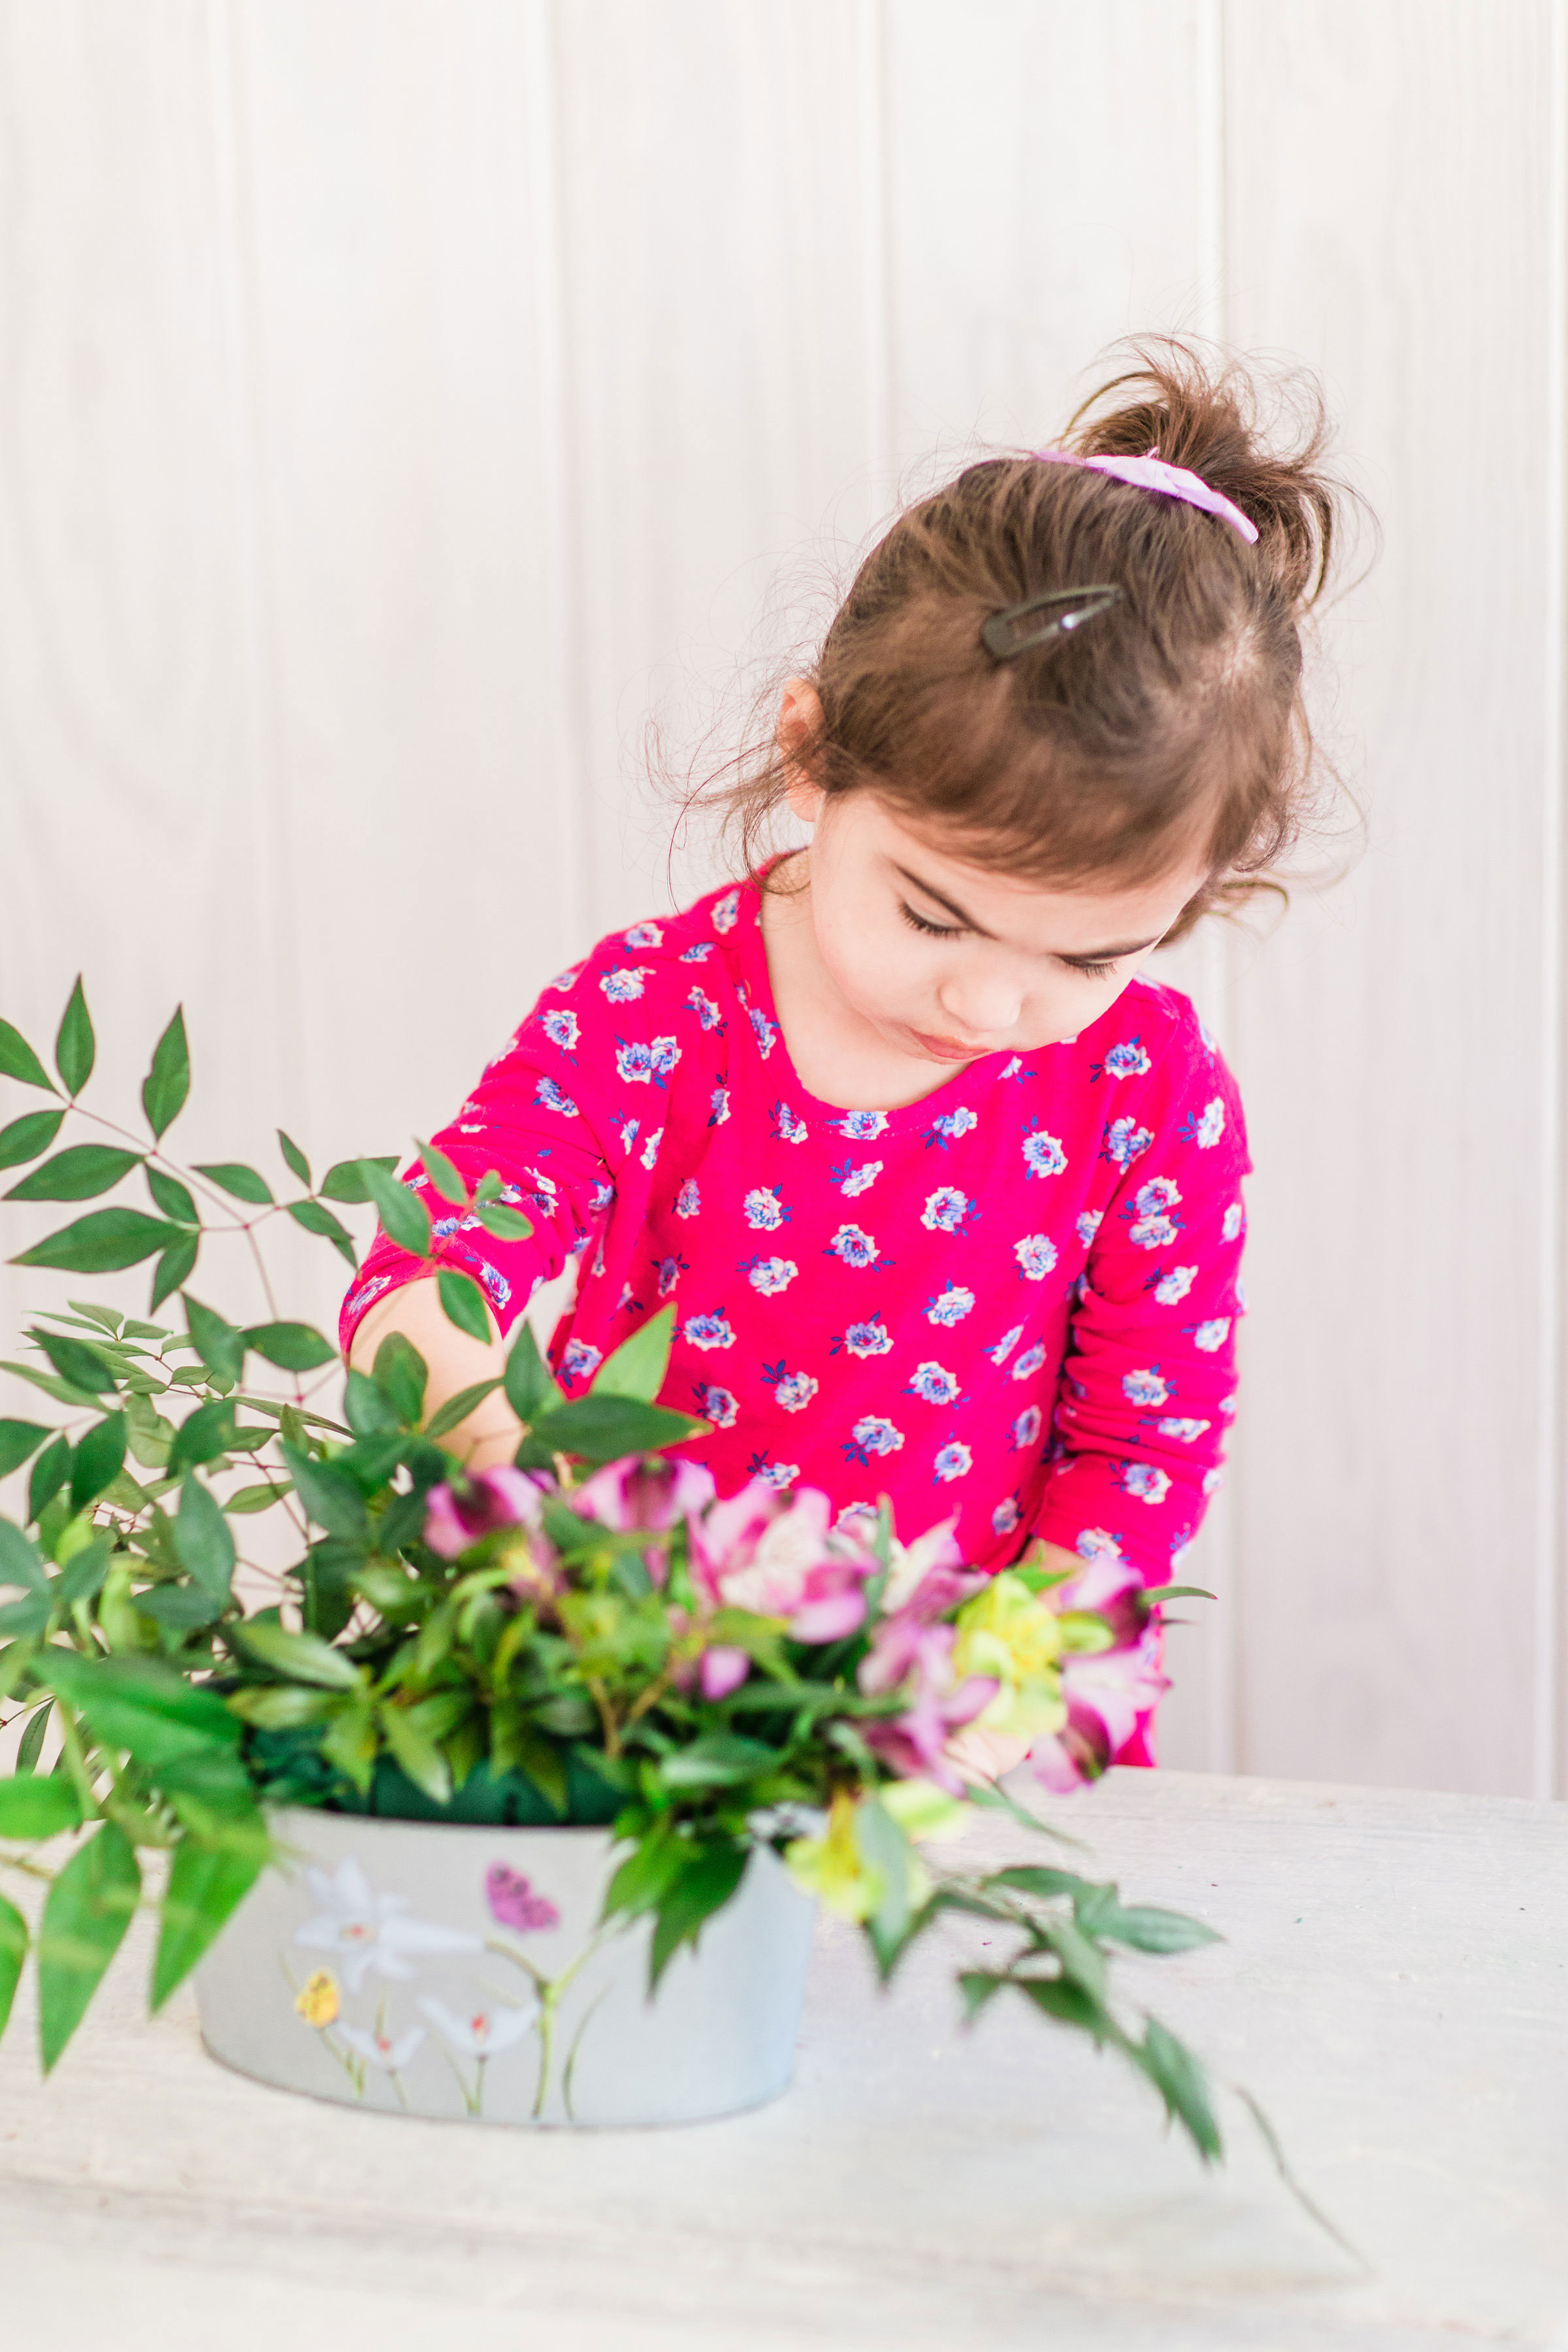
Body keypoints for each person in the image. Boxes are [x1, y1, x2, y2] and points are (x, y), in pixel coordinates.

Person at [342, 339, 1345, 1770]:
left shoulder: (1146, 1093)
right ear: (811, 751)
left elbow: (1140, 1449)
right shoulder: (658, 1011)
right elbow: (425, 1265)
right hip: (629, 1705)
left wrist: (1014, 1687)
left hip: (953, 1757)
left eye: (1089, 957)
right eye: (936, 915)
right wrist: (481, 1440)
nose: (994, 1009)